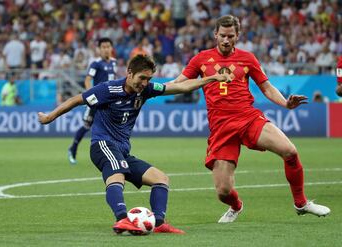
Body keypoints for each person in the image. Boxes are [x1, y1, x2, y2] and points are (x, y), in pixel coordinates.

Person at [38, 55, 231, 234]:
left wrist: (212, 78)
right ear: (129, 73)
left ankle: (159, 223)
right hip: (102, 145)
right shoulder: (108, 89)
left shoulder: (146, 90)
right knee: (117, 173)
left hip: (122, 150)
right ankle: (122, 219)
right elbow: (76, 100)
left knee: (161, 179)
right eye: (141, 78)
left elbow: (181, 87)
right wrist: (49, 117)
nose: (145, 83)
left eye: (148, 79)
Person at [169, 15, 331, 223]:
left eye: (231, 36)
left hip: (247, 117)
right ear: (215, 35)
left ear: (238, 36)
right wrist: (151, 90)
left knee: (290, 151)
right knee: (223, 192)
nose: (226, 40)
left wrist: (285, 103)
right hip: (221, 128)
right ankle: (236, 206)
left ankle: (301, 203)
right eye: (222, 36)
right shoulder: (201, 59)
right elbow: (178, 83)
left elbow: (266, 87)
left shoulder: (248, 58)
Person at [68, 38, 117, 164]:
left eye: (108, 46)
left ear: (111, 48)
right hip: (96, 101)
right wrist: (92, 97)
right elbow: (88, 80)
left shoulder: (113, 62)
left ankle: (114, 154)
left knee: (111, 127)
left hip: (109, 102)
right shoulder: (96, 64)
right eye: (103, 47)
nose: (106, 49)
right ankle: (73, 149)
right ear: (99, 49)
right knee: (86, 126)